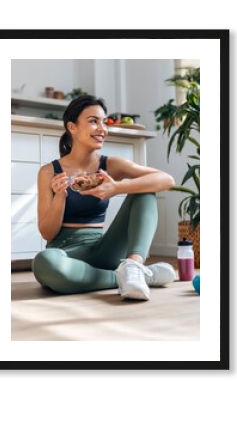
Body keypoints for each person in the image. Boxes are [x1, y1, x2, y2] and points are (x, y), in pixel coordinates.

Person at [32, 95, 176, 301]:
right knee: (44, 262)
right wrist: (60, 197)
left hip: (105, 250)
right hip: (66, 255)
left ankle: (134, 266)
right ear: (72, 127)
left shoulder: (111, 165)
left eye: (103, 122)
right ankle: (133, 277)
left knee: (145, 189)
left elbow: (166, 179)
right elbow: (47, 233)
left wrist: (118, 187)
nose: (102, 129)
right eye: (93, 121)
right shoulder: (49, 172)